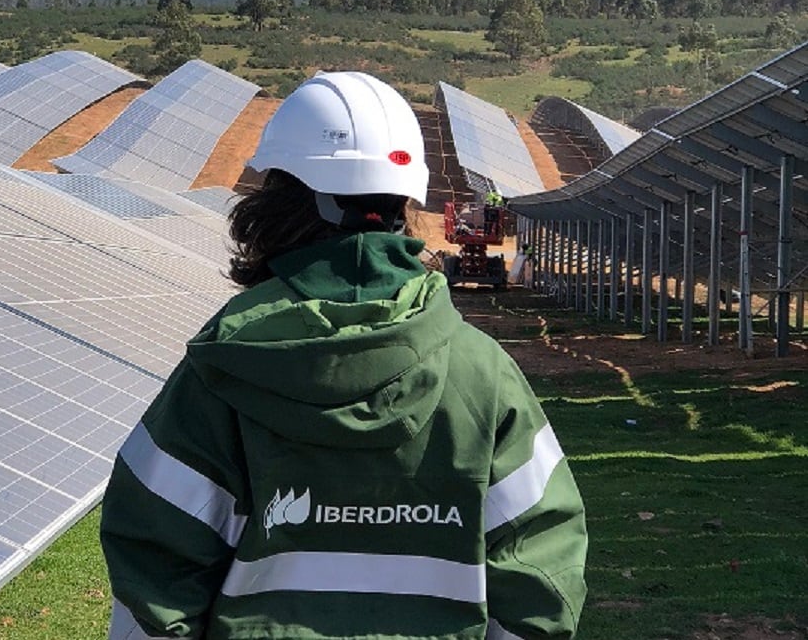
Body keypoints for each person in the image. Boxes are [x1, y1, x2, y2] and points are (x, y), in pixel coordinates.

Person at [100, 71, 587, 639]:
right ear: (406, 200)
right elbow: (539, 572)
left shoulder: (226, 368)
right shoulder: (484, 374)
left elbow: (155, 574)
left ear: (278, 199)